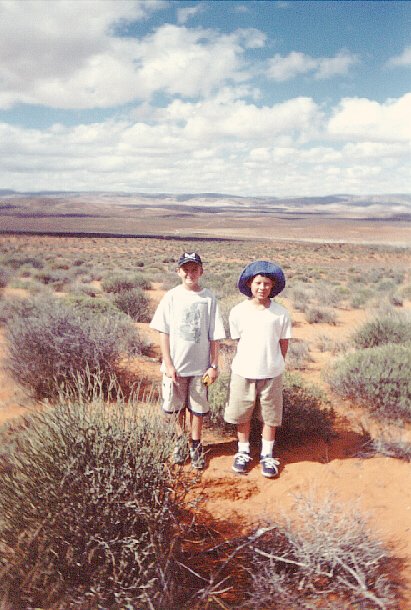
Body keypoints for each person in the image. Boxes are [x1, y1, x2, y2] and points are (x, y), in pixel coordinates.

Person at [150, 252, 225, 469]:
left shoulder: (208, 297)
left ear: (201, 271)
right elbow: (163, 332)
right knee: (176, 408)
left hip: (200, 368)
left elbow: (215, 335)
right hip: (175, 367)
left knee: (198, 408)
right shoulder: (171, 296)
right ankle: (178, 442)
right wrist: (169, 364)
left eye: (194, 269)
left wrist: (214, 365)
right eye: (186, 270)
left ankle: (195, 444)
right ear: (178, 272)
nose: (190, 274)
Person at [224, 260, 291, 478]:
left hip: (271, 372)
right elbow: (238, 339)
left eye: (267, 284)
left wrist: (276, 363)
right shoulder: (238, 312)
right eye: (258, 283)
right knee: (243, 413)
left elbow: (283, 343)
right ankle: (243, 452)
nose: (262, 287)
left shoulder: (281, 313)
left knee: (270, 416)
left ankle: (267, 454)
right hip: (243, 371)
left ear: (273, 286)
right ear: (250, 284)